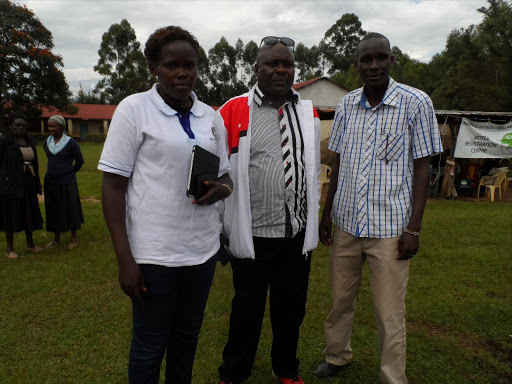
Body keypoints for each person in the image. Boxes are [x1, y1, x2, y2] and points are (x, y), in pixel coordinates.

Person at [98, 26, 232, 384]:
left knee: (186, 340)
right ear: (154, 67)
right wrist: (126, 260)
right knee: (149, 346)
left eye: (190, 65)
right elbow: (112, 188)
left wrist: (220, 189)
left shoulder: (211, 117)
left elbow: (226, 177)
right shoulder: (135, 110)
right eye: (172, 64)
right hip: (154, 257)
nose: (183, 72)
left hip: (201, 252)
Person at [313, 33, 442, 384]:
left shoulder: (415, 103)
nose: (373, 65)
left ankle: (392, 377)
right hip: (346, 223)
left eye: (380, 58)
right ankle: (337, 355)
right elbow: (338, 161)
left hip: (390, 228)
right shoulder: (347, 105)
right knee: (340, 301)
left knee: (388, 312)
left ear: (391, 60)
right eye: (365, 60)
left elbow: (422, 165)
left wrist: (413, 228)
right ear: (355, 65)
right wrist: (327, 213)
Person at [218, 36, 321, 384]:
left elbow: (312, 166)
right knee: (247, 309)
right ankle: (234, 373)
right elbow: (218, 167)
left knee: (290, 310)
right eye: (272, 63)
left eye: (287, 64)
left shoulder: (308, 112)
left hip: (295, 233)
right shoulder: (233, 109)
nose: (280, 69)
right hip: (254, 233)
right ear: (257, 68)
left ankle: (286, 368)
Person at [0, 114, 43, 259]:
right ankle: (10, 248)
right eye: (17, 125)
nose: (21, 128)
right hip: (11, 184)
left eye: (23, 126)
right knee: (11, 213)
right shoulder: (4, 141)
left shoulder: (28, 140)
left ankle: (30, 243)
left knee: (29, 211)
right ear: (9, 126)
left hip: (28, 182)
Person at [43, 115, 84, 250]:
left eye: (54, 126)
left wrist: (70, 172)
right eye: (49, 126)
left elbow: (79, 161)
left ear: (62, 127)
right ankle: (56, 237)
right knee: (53, 208)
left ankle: (73, 238)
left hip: (67, 182)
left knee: (70, 208)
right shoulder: (46, 142)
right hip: (51, 182)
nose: (51, 129)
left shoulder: (71, 143)